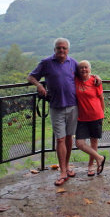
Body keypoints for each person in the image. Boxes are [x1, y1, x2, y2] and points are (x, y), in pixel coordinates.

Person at [27, 38, 79, 186]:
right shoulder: (46, 62)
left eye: (64, 48)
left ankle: (67, 167)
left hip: (73, 106)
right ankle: (63, 171)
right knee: (60, 139)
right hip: (56, 106)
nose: (61, 50)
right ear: (54, 49)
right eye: (58, 48)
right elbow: (31, 76)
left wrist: (97, 78)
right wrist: (38, 85)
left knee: (69, 138)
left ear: (67, 50)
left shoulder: (73, 63)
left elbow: (84, 76)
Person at [75, 60, 106, 176]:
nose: (83, 69)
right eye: (81, 67)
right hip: (81, 118)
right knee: (79, 143)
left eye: (86, 67)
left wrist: (102, 114)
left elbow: (101, 98)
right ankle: (100, 158)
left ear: (90, 69)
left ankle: (91, 166)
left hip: (96, 115)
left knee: (94, 142)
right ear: (78, 70)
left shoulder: (95, 81)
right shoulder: (75, 80)